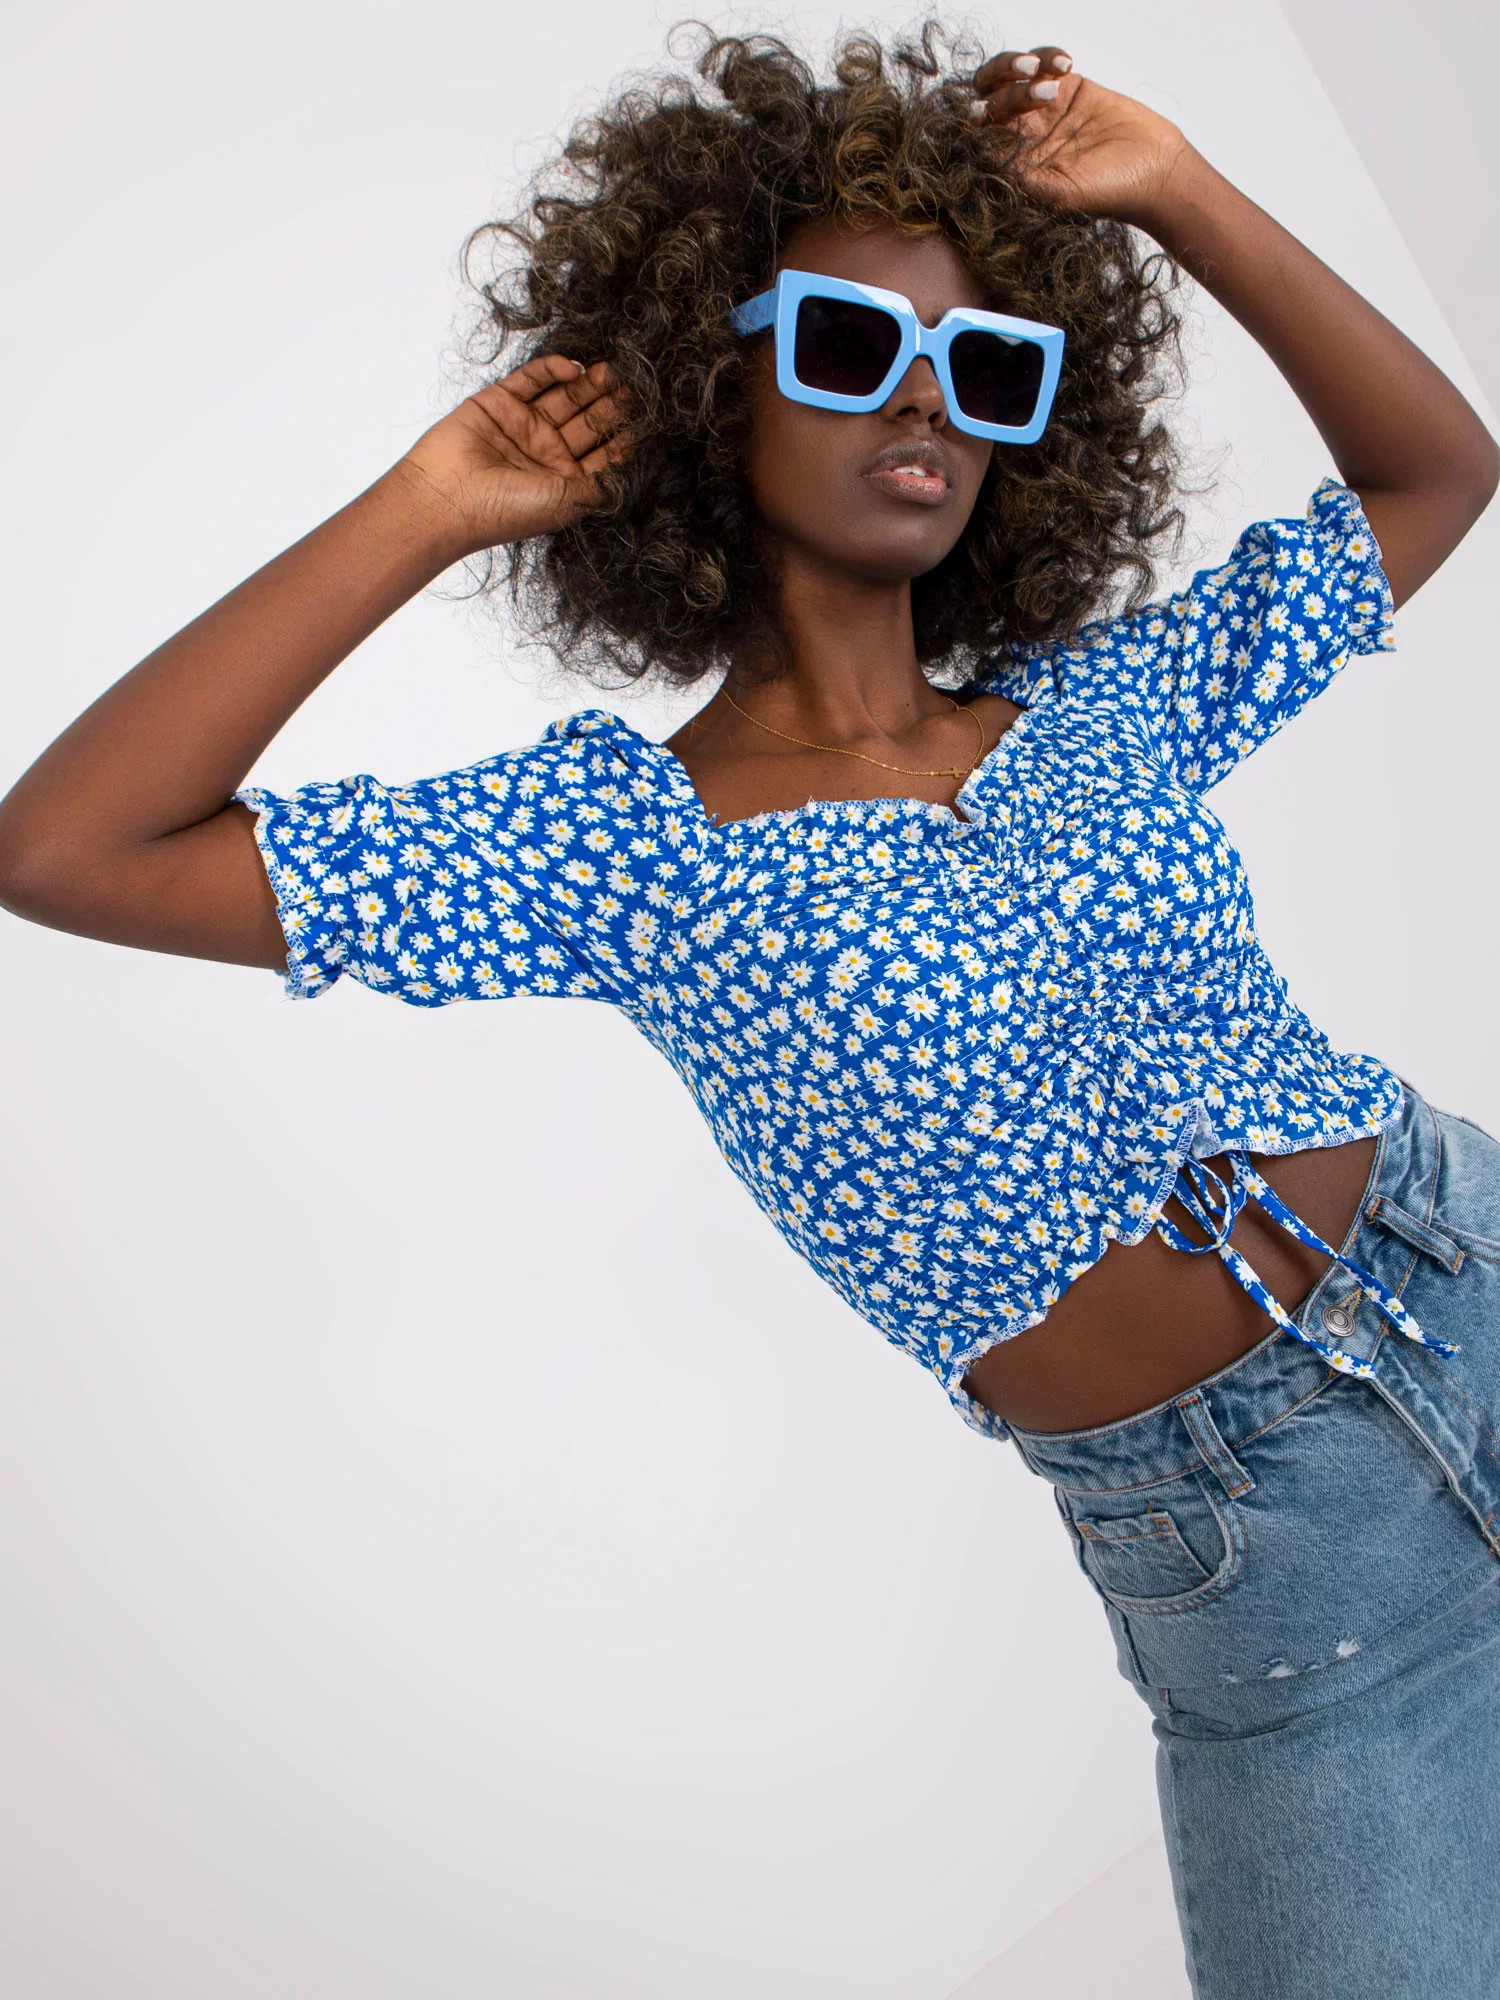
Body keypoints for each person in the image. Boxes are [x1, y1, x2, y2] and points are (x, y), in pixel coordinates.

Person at [2, 21, 1497, 1995]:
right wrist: (429, 504)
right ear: (723, 384)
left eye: (985, 363)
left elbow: (1437, 472)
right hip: (1288, 1606)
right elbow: (70, 846)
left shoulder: (1102, 702)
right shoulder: (620, 847)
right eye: (852, 344)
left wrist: (1177, 188)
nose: (926, 398)